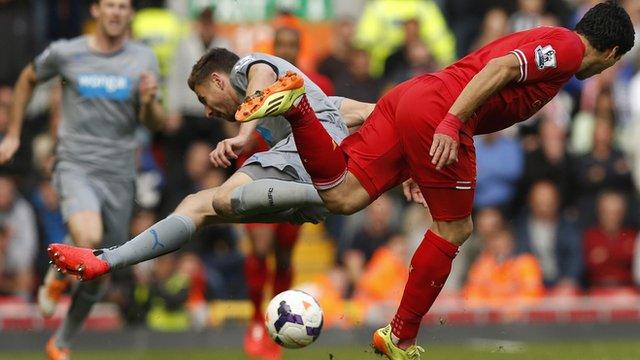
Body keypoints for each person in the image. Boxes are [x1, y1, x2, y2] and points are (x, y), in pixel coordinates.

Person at [217, 2, 634, 359]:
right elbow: (502, 66)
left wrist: (422, 156)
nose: (603, 71)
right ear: (611, 52)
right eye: (612, 63)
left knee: (344, 196)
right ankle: (400, 336)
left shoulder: (554, 37)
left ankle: (298, 111)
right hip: (441, 109)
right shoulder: (566, 50)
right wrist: (451, 122)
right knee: (455, 227)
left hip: (411, 98)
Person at [46, 49, 374, 289]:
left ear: (219, 80)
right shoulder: (320, 103)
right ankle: (105, 259)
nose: (207, 112)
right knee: (195, 206)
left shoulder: (246, 66)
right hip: (315, 171)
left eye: (204, 99)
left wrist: (245, 131)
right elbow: (370, 113)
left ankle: (333, 195)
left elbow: (261, 74)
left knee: (224, 197)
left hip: (309, 166)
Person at [0, 0, 165, 358]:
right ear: (96, 10)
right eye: (110, 5)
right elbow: (28, 78)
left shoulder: (143, 59)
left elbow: (155, 122)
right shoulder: (67, 53)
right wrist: (13, 134)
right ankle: (59, 274)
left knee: (101, 265)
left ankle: (60, 342)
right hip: (75, 165)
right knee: (89, 238)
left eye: (123, 7)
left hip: (121, 173)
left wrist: (150, 102)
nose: (116, 12)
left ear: (129, 13)